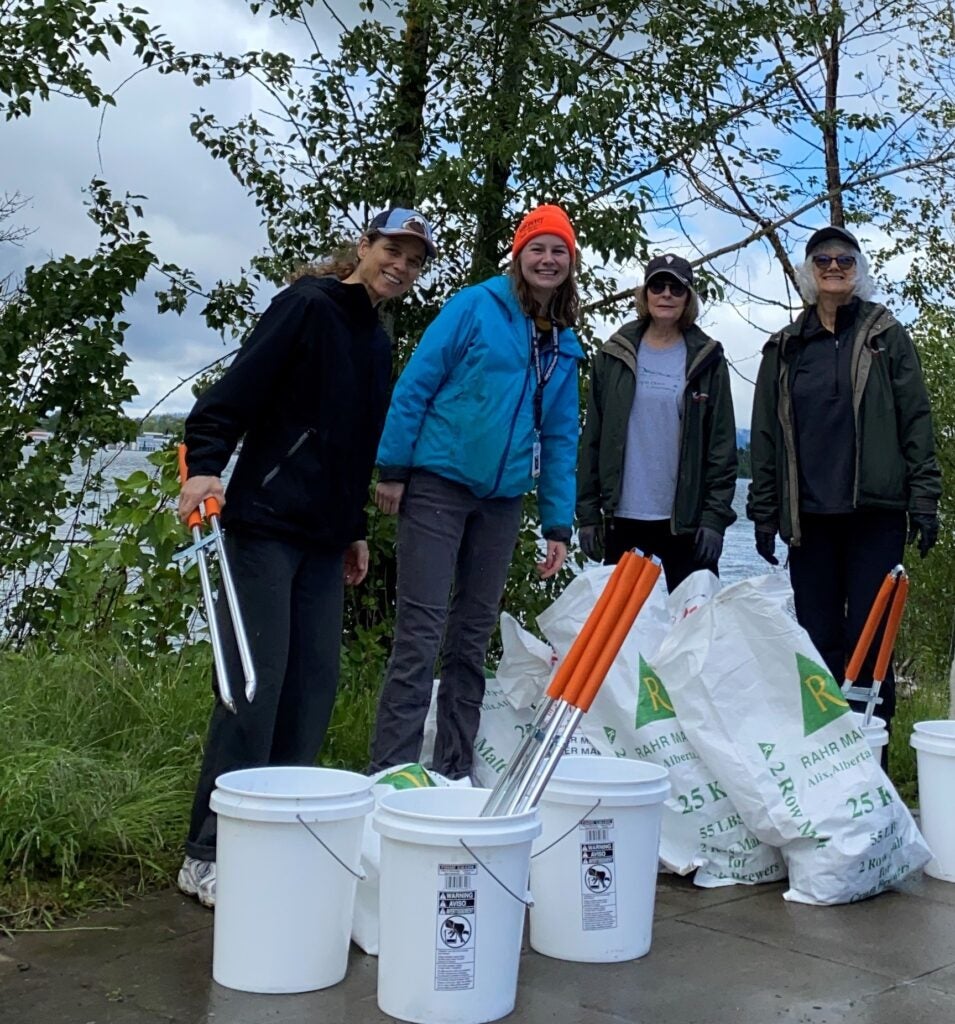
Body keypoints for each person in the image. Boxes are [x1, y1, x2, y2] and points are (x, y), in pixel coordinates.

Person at [176, 207, 436, 907]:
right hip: (263, 523)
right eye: (392, 250)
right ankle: (206, 850)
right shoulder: (306, 307)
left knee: (313, 688)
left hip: (323, 542)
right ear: (364, 247)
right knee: (251, 691)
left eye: (413, 260)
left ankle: (282, 835)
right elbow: (235, 392)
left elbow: (352, 445)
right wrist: (203, 466)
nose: (401, 266)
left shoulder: (376, 342)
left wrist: (353, 527)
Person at [369, 204, 584, 780]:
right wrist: (393, 467)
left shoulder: (564, 344)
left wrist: (558, 525)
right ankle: (390, 775)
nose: (547, 259)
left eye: (558, 250)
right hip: (438, 485)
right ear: (518, 256)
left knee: (471, 639)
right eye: (537, 248)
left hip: (503, 501)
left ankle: (454, 772)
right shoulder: (474, 307)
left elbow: (561, 438)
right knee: (420, 631)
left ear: (570, 262)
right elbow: (417, 382)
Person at [747, 224, 941, 736]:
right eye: (823, 261)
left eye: (845, 260)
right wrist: (764, 515)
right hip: (809, 516)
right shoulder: (784, 348)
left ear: (858, 271)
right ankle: (825, 749)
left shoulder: (885, 335)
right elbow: (765, 437)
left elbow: (915, 419)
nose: (834, 268)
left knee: (872, 636)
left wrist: (925, 497)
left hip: (877, 512)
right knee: (816, 638)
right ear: (808, 274)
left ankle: (872, 742)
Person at [576, 254, 737, 592]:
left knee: (692, 635)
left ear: (688, 297)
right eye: (658, 285)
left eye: (676, 288)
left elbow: (722, 449)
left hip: (685, 525)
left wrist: (714, 520)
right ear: (645, 294)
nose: (666, 294)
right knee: (622, 636)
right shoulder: (613, 355)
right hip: (623, 520)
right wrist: (589, 514)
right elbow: (592, 440)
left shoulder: (708, 359)